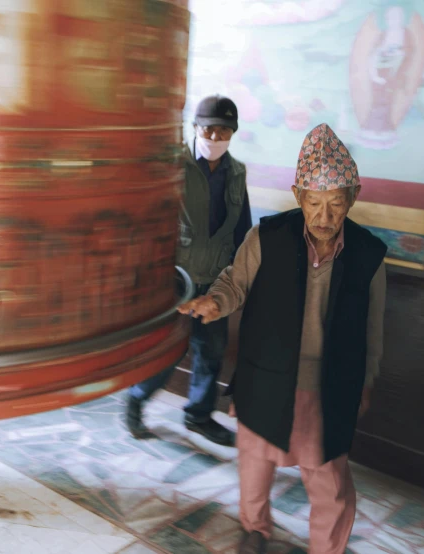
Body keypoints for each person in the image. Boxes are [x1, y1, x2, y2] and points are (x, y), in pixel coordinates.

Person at [181, 123, 387, 554]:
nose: (325, 217)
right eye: (314, 203)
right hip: (266, 374)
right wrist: (215, 303)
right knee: (254, 464)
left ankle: (326, 548)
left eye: (335, 204)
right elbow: (234, 283)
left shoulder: (368, 254)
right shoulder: (267, 237)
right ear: (298, 196)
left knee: (327, 476)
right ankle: (255, 530)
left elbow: (373, 327)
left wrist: (366, 379)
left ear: (353, 196)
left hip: (329, 383)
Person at [125, 95, 252, 446]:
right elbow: (148, 224)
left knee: (212, 351)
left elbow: (242, 229)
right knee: (169, 351)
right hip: (174, 281)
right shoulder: (172, 165)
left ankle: (198, 416)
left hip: (216, 281)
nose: (215, 137)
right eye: (209, 129)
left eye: (224, 131)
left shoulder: (237, 173)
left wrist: (236, 280)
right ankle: (137, 398)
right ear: (195, 127)